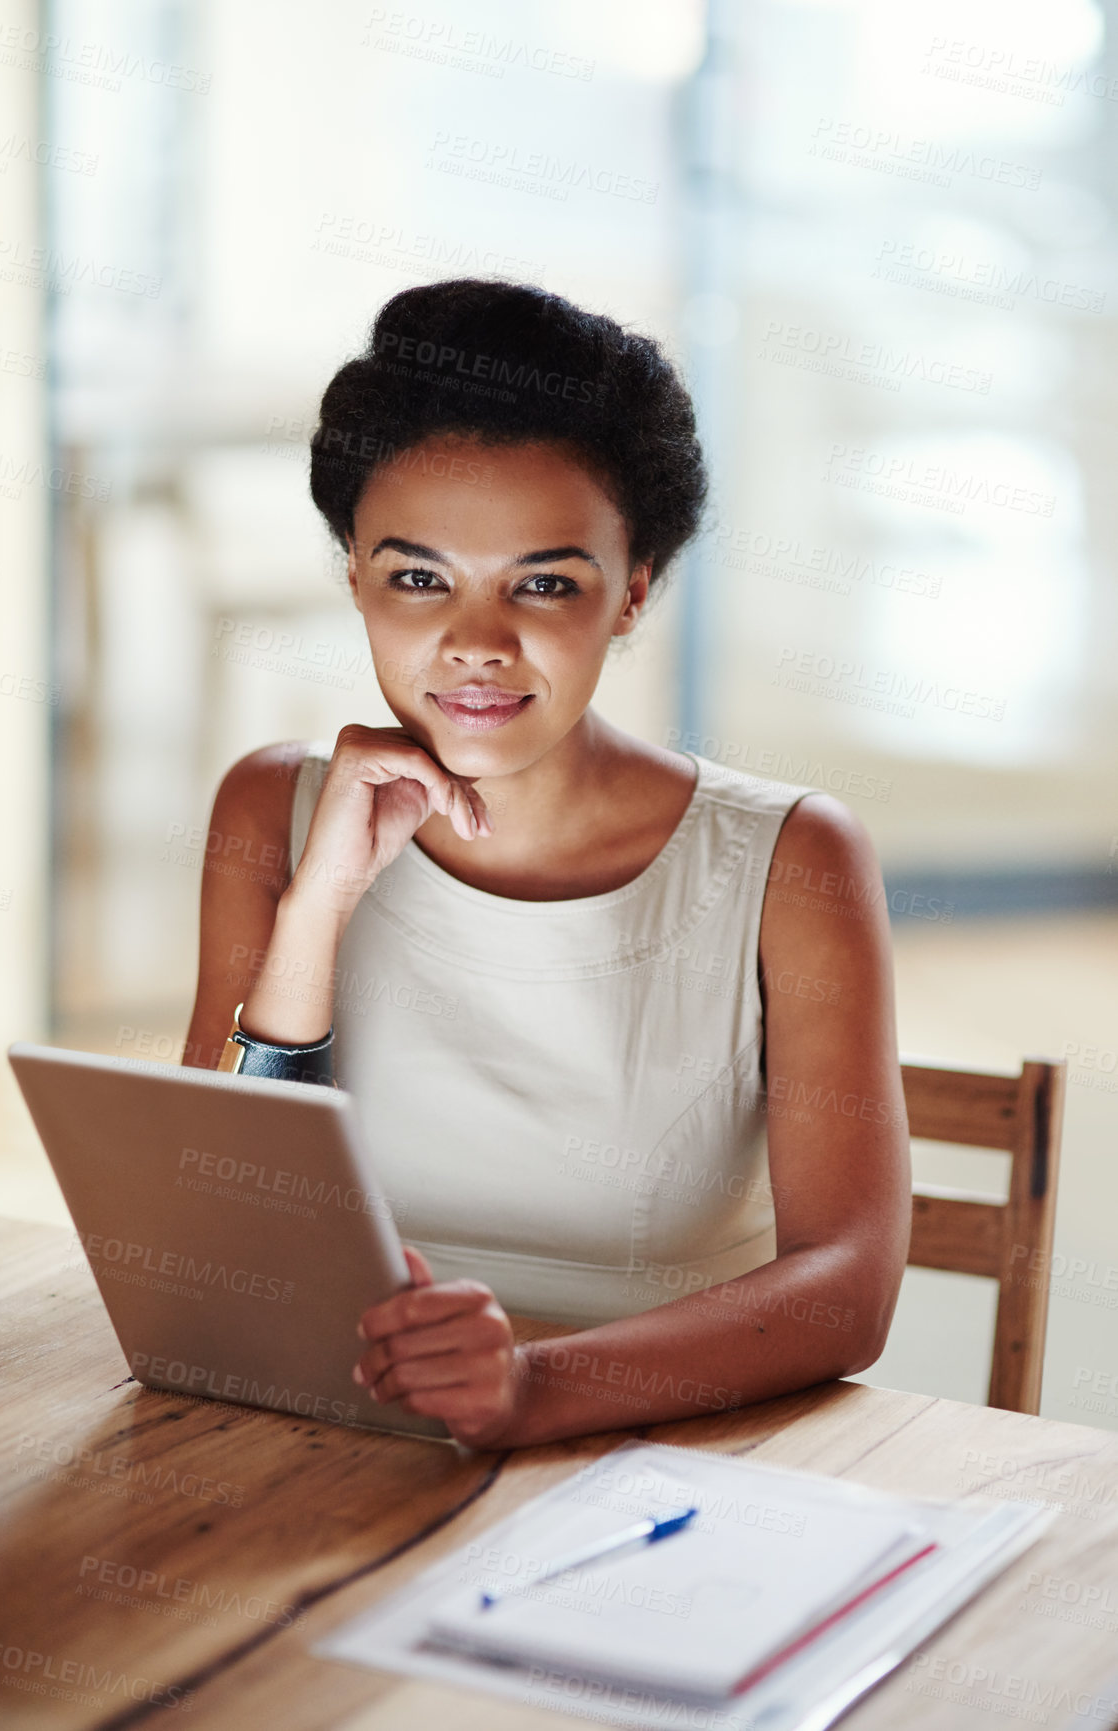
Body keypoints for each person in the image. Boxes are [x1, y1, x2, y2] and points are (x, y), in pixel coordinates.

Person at [183, 278, 911, 1451]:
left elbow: (849, 1285)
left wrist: (527, 1386)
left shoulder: (791, 858)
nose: (476, 641)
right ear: (357, 577)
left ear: (632, 592)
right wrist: (317, 909)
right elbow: (218, 1226)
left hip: (651, 1468)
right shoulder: (272, 809)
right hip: (322, 1447)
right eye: (417, 577)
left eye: (545, 583)